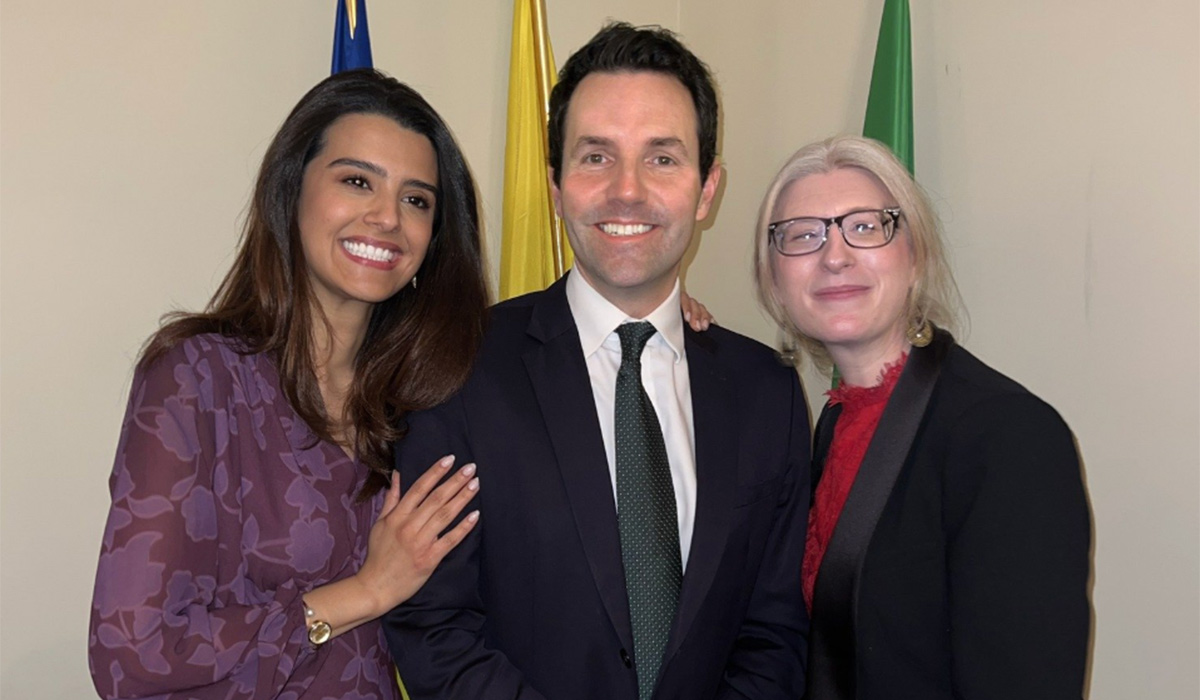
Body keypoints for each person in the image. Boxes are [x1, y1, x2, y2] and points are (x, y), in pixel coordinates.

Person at [383, 22, 811, 700]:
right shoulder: (457, 369)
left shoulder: (769, 392)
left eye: (663, 158)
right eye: (595, 157)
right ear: (555, 187)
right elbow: (435, 625)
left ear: (707, 191)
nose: (628, 191)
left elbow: (774, 630)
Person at [87, 69, 489, 700]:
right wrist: (367, 591)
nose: (387, 217)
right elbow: (130, 658)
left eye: (417, 200)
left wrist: (660, 316)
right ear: (291, 192)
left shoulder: (425, 394)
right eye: (357, 181)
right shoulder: (196, 378)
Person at [753, 135, 1091, 699]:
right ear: (775, 281)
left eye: (865, 226)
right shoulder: (835, 424)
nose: (834, 256)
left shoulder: (1006, 436)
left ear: (917, 255)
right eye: (803, 235)